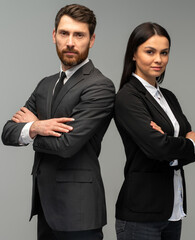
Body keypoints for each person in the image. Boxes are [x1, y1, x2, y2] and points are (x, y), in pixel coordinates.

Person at [1, 4, 115, 240]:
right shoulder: (46, 84)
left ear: (92, 40)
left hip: (79, 212)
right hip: (45, 208)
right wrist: (35, 126)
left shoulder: (99, 85)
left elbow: (67, 145)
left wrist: (33, 129)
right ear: (54, 36)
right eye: (64, 33)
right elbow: (8, 132)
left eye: (79, 35)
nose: (70, 42)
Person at [114, 22, 195, 240]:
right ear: (133, 54)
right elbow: (159, 147)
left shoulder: (169, 97)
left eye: (164, 53)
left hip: (172, 211)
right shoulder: (128, 97)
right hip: (141, 216)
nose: (158, 59)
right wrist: (187, 144)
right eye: (150, 51)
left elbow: (188, 147)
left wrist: (171, 146)